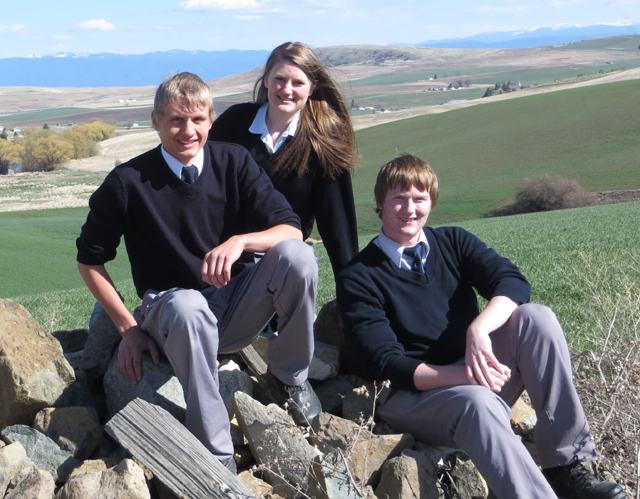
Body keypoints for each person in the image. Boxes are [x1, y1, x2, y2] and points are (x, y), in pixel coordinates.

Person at [336, 154, 627, 499]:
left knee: (537, 318)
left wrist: (479, 330)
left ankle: (566, 468)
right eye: (399, 198)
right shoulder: (359, 275)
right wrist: (466, 376)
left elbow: (512, 281)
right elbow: (386, 364)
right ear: (381, 202)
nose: (409, 209)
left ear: (432, 202)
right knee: (478, 402)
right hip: (413, 396)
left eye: (419, 198)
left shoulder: (453, 242)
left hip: (477, 372)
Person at [76, 72, 321, 469]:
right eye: (176, 120)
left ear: (211, 119)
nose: (187, 131)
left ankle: (290, 379)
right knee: (188, 306)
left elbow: (291, 229)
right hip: (172, 315)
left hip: (235, 306)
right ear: (156, 121)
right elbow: (89, 260)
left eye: (197, 119)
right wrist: (129, 329)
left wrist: (242, 241)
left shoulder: (234, 161)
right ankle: (216, 459)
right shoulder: (127, 182)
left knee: (298, 257)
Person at [209, 41, 358, 277]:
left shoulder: (324, 140)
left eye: (298, 82)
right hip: (226, 264)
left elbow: (336, 222)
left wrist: (351, 287)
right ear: (266, 79)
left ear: (312, 87)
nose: (287, 90)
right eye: (280, 79)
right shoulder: (234, 123)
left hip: (286, 266)